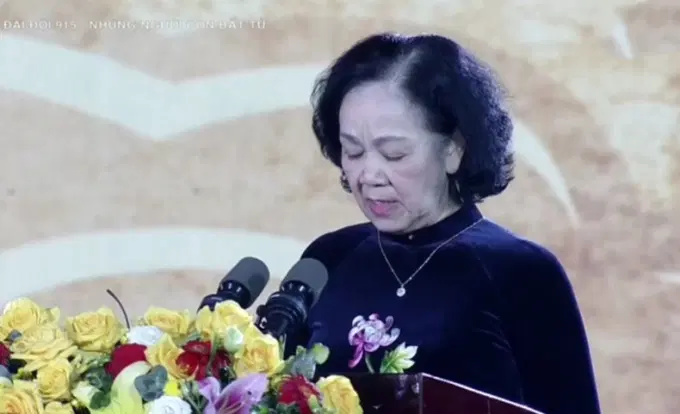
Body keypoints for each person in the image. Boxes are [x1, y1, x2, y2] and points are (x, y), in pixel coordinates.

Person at [285, 32, 601, 414]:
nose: (368, 175)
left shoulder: (520, 271)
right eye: (353, 151)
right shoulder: (329, 258)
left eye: (393, 153)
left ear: (454, 149)